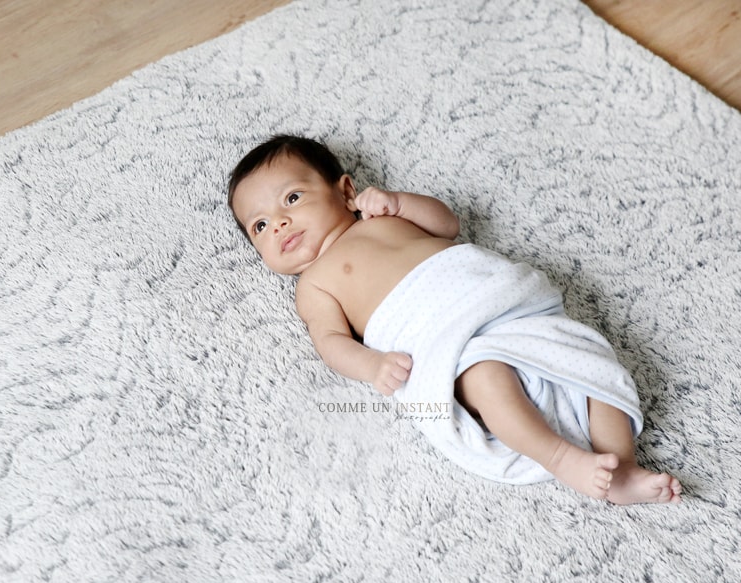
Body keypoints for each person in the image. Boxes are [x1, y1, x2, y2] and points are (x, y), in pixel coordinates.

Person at [228, 134, 682, 505]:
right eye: (261, 226)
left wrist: (400, 203)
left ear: (346, 192)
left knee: (588, 361)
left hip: (503, 307)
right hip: (449, 343)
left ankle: (621, 469)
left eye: (291, 198)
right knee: (487, 380)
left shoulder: (380, 216)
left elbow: (447, 225)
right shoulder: (314, 286)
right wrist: (372, 365)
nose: (281, 223)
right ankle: (563, 459)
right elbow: (329, 342)